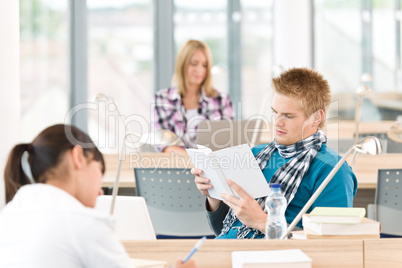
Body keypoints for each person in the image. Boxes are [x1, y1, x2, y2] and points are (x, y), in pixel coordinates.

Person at [193, 67, 358, 239]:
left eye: (288, 116)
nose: (277, 123)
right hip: (225, 250)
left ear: (316, 118)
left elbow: (331, 245)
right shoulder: (256, 154)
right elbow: (223, 229)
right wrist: (213, 196)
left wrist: (261, 221)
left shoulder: (333, 171)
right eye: (274, 112)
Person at [0, 124, 197, 268]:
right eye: (99, 171)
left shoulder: (8, 216)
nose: (100, 190)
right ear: (78, 157)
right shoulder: (83, 223)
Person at [152, 39, 234, 154]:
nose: (200, 70)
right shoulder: (162, 99)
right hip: (177, 168)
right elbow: (163, 145)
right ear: (182, 64)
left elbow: (228, 142)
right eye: (194, 64)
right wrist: (197, 161)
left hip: (213, 168)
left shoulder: (221, 99)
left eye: (204, 65)